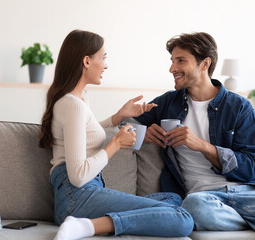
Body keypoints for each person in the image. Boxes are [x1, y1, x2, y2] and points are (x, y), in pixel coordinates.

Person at [134, 32, 255, 240]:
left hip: (247, 193)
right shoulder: (168, 103)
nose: (172, 69)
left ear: (205, 63)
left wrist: (203, 146)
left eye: (181, 61)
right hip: (203, 199)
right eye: (172, 61)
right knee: (194, 207)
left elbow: (250, 165)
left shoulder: (239, 107)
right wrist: (143, 131)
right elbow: (126, 122)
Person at [38, 30, 194, 240]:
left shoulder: (79, 100)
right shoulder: (72, 104)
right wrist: (116, 144)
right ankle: (86, 227)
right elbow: (78, 175)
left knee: (172, 199)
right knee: (183, 218)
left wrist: (119, 116)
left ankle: (98, 222)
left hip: (82, 194)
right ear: (86, 61)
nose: (105, 65)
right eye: (103, 57)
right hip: (77, 195)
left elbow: (86, 133)